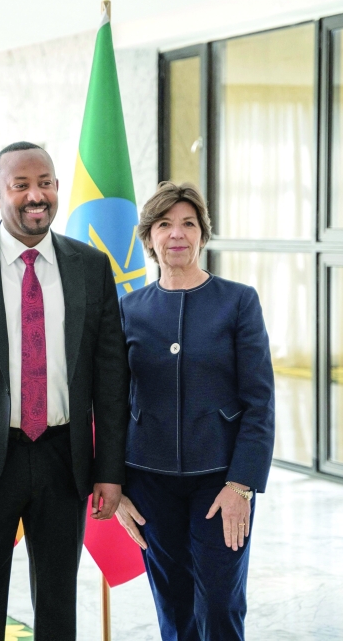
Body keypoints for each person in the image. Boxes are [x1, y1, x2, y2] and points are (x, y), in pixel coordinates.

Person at [0, 142, 129, 641]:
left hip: (63, 458)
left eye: (46, 183)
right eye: (21, 186)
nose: (37, 196)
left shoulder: (91, 266)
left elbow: (110, 379)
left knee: (58, 606)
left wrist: (109, 469)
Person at [114, 181, 275, 641]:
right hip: (149, 484)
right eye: (165, 224)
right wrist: (115, 486)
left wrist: (242, 484)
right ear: (149, 237)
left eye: (188, 223)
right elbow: (109, 403)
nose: (177, 234)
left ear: (203, 234)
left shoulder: (238, 301)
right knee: (174, 606)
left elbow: (259, 402)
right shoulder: (128, 309)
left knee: (221, 604)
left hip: (221, 481)